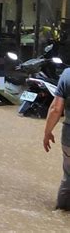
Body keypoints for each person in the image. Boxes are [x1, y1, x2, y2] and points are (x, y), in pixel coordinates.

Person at [43, 67, 70, 210]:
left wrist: (47, 132)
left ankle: (62, 211)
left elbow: (56, 109)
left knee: (68, 177)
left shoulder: (67, 74)